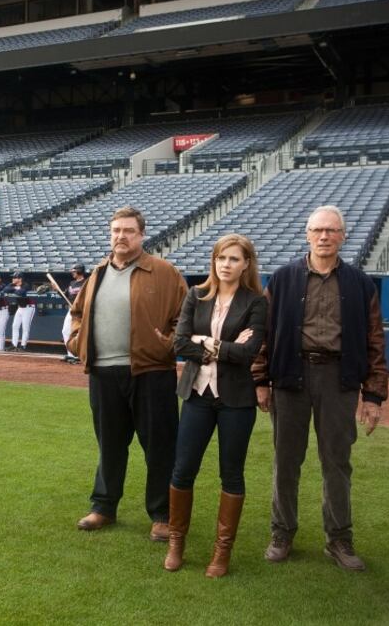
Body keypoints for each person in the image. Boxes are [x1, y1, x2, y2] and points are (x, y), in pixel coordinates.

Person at [253, 205, 388, 572]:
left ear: (343, 236)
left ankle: (339, 539)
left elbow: (375, 341)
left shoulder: (360, 283)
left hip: (339, 379)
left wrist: (373, 395)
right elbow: (264, 336)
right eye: (318, 230)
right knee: (286, 461)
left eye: (331, 230)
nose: (324, 236)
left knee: (337, 463)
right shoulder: (282, 279)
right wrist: (260, 381)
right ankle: (282, 532)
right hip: (290, 378)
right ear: (307, 234)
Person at [67, 206, 187, 541]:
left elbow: (185, 319)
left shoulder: (164, 272)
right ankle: (103, 506)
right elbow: (77, 314)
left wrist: (167, 346)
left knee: (160, 445)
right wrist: (76, 340)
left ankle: (162, 514)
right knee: (110, 444)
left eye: (129, 231)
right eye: (116, 230)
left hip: (151, 373)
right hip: (104, 373)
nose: (121, 236)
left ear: (142, 235)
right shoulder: (98, 272)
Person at [163, 234, 267, 578]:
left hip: (236, 401)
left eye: (234, 259)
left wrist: (203, 342)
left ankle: (222, 552)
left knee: (231, 474)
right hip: (197, 395)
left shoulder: (256, 302)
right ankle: (176, 542)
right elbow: (178, 342)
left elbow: (248, 354)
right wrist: (221, 345)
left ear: (246, 264)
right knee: (182, 469)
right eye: (222, 258)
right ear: (214, 261)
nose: (226, 264)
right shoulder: (196, 295)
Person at [61, 263, 87, 364]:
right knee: (65, 331)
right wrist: (57, 290)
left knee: (80, 332)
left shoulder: (86, 283)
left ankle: (79, 355)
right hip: (71, 310)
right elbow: (66, 296)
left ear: (80, 271)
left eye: (74, 271)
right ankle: (71, 354)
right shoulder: (72, 283)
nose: (73, 273)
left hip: (81, 311)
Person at [3, 272, 35, 352]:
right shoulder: (13, 284)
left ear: (20, 279)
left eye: (15, 277)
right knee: (15, 326)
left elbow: (20, 293)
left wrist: (15, 289)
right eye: (13, 277)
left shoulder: (26, 285)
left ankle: (23, 346)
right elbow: (6, 289)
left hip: (29, 307)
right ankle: (14, 345)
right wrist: (15, 288)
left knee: (25, 328)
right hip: (20, 308)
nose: (13, 279)